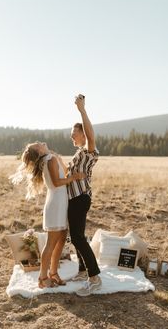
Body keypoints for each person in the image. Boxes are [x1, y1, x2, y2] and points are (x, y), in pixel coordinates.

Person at [10, 141, 85, 288]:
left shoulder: (51, 158)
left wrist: (61, 160)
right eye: (38, 144)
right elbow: (57, 182)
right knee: (51, 243)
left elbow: (64, 172)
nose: (41, 142)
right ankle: (43, 278)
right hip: (56, 205)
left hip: (60, 203)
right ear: (39, 152)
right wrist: (75, 177)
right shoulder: (49, 160)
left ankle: (53, 273)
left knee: (61, 240)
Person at [67, 94, 102, 296]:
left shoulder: (89, 150)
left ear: (83, 134)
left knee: (79, 239)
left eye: (74, 133)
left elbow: (91, 134)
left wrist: (82, 110)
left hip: (80, 198)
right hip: (73, 199)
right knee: (75, 238)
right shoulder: (78, 153)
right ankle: (82, 270)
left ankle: (94, 278)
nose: (72, 137)